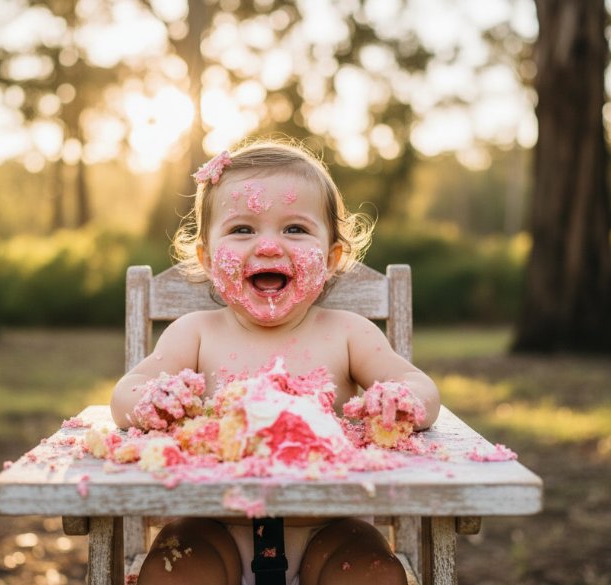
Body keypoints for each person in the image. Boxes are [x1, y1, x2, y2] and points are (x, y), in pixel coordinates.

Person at [110, 139, 441, 585]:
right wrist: (155, 401)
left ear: (331, 258)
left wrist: (401, 401)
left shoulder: (348, 333)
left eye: (295, 230)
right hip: (213, 526)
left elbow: (419, 387)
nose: (268, 246)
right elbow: (124, 395)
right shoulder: (195, 333)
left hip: (330, 527)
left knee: (374, 574)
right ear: (207, 258)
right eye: (243, 229)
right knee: (172, 571)